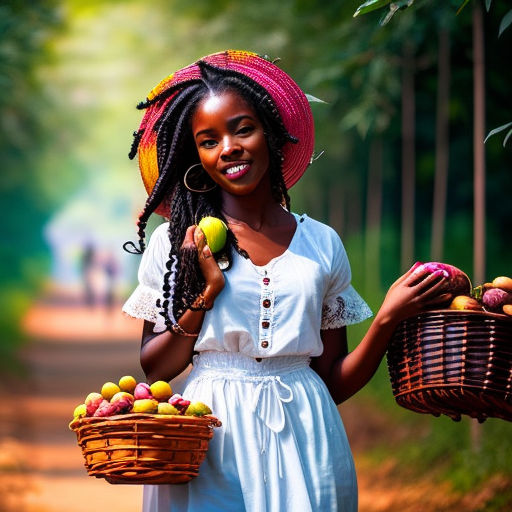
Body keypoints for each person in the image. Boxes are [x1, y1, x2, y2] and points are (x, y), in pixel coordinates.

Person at [122, 50, 451, 512]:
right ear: (196, 155)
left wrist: (388, 319)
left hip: (308, 441)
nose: (229, 148)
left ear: (270, 135)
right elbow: (155, 369)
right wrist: (206, 292)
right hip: (209, 438)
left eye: (242, 128)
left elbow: (332, 381)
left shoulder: (322, 243)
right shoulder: (178, 244)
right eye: (208, 140)